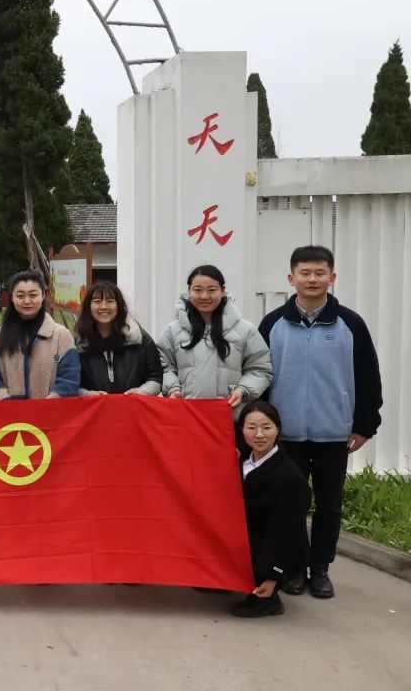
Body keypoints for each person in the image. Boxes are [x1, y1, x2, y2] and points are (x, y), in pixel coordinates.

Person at [258, 245, 382, 599]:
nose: (312, 279)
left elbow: (368, 377)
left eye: (319, 273)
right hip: (287, 435)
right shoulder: (273, 324)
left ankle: (321, 568)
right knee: (291, 505)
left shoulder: (351, 324)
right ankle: (295, 568)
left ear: (332, 277)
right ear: (291, 278)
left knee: (329, 505)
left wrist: (365, 425)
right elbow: (260, 376)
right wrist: (264, 427)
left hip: (334, 434)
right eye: (305, 273)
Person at [231, 401, 310, 618]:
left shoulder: (291, 478)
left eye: (266, 427)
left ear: (278, 429)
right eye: (251, 427)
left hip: (278, 549)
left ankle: (268, 597)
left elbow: (286, 534)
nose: (259, 435)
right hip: (250, 535)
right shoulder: (241, 460)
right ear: (242, 430)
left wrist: (273, 576)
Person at [157, 265, 272, 413]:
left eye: (212, 290)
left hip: (230, 415)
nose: (204, 296)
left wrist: (243, 390)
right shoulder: (172, 331)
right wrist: (173, 389)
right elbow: (163, 365)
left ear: (223, 290)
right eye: (197, 290)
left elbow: (260, 368)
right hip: (186, 414)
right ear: (189, 291)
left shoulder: (245, 330)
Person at [0, 270, 80, 400]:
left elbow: (69, 379)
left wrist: (44, 406)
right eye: (20, 296)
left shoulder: (61, 336)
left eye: (33, 295)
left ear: (43, 295)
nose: (27, 301)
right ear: (12, 298)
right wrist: (6, 401)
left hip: (51, 410)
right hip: (9, 411)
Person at [74, 281, 162, 396]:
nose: (104, 306)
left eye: (110, 301)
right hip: (95, 407)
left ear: (119, 305)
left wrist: (139, 392)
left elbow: (156, 378)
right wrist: (89, 395)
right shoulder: (79, 344)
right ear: (88, 307)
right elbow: (72, 382)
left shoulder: (140, 339)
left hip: (133, 406)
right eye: (97, 301)